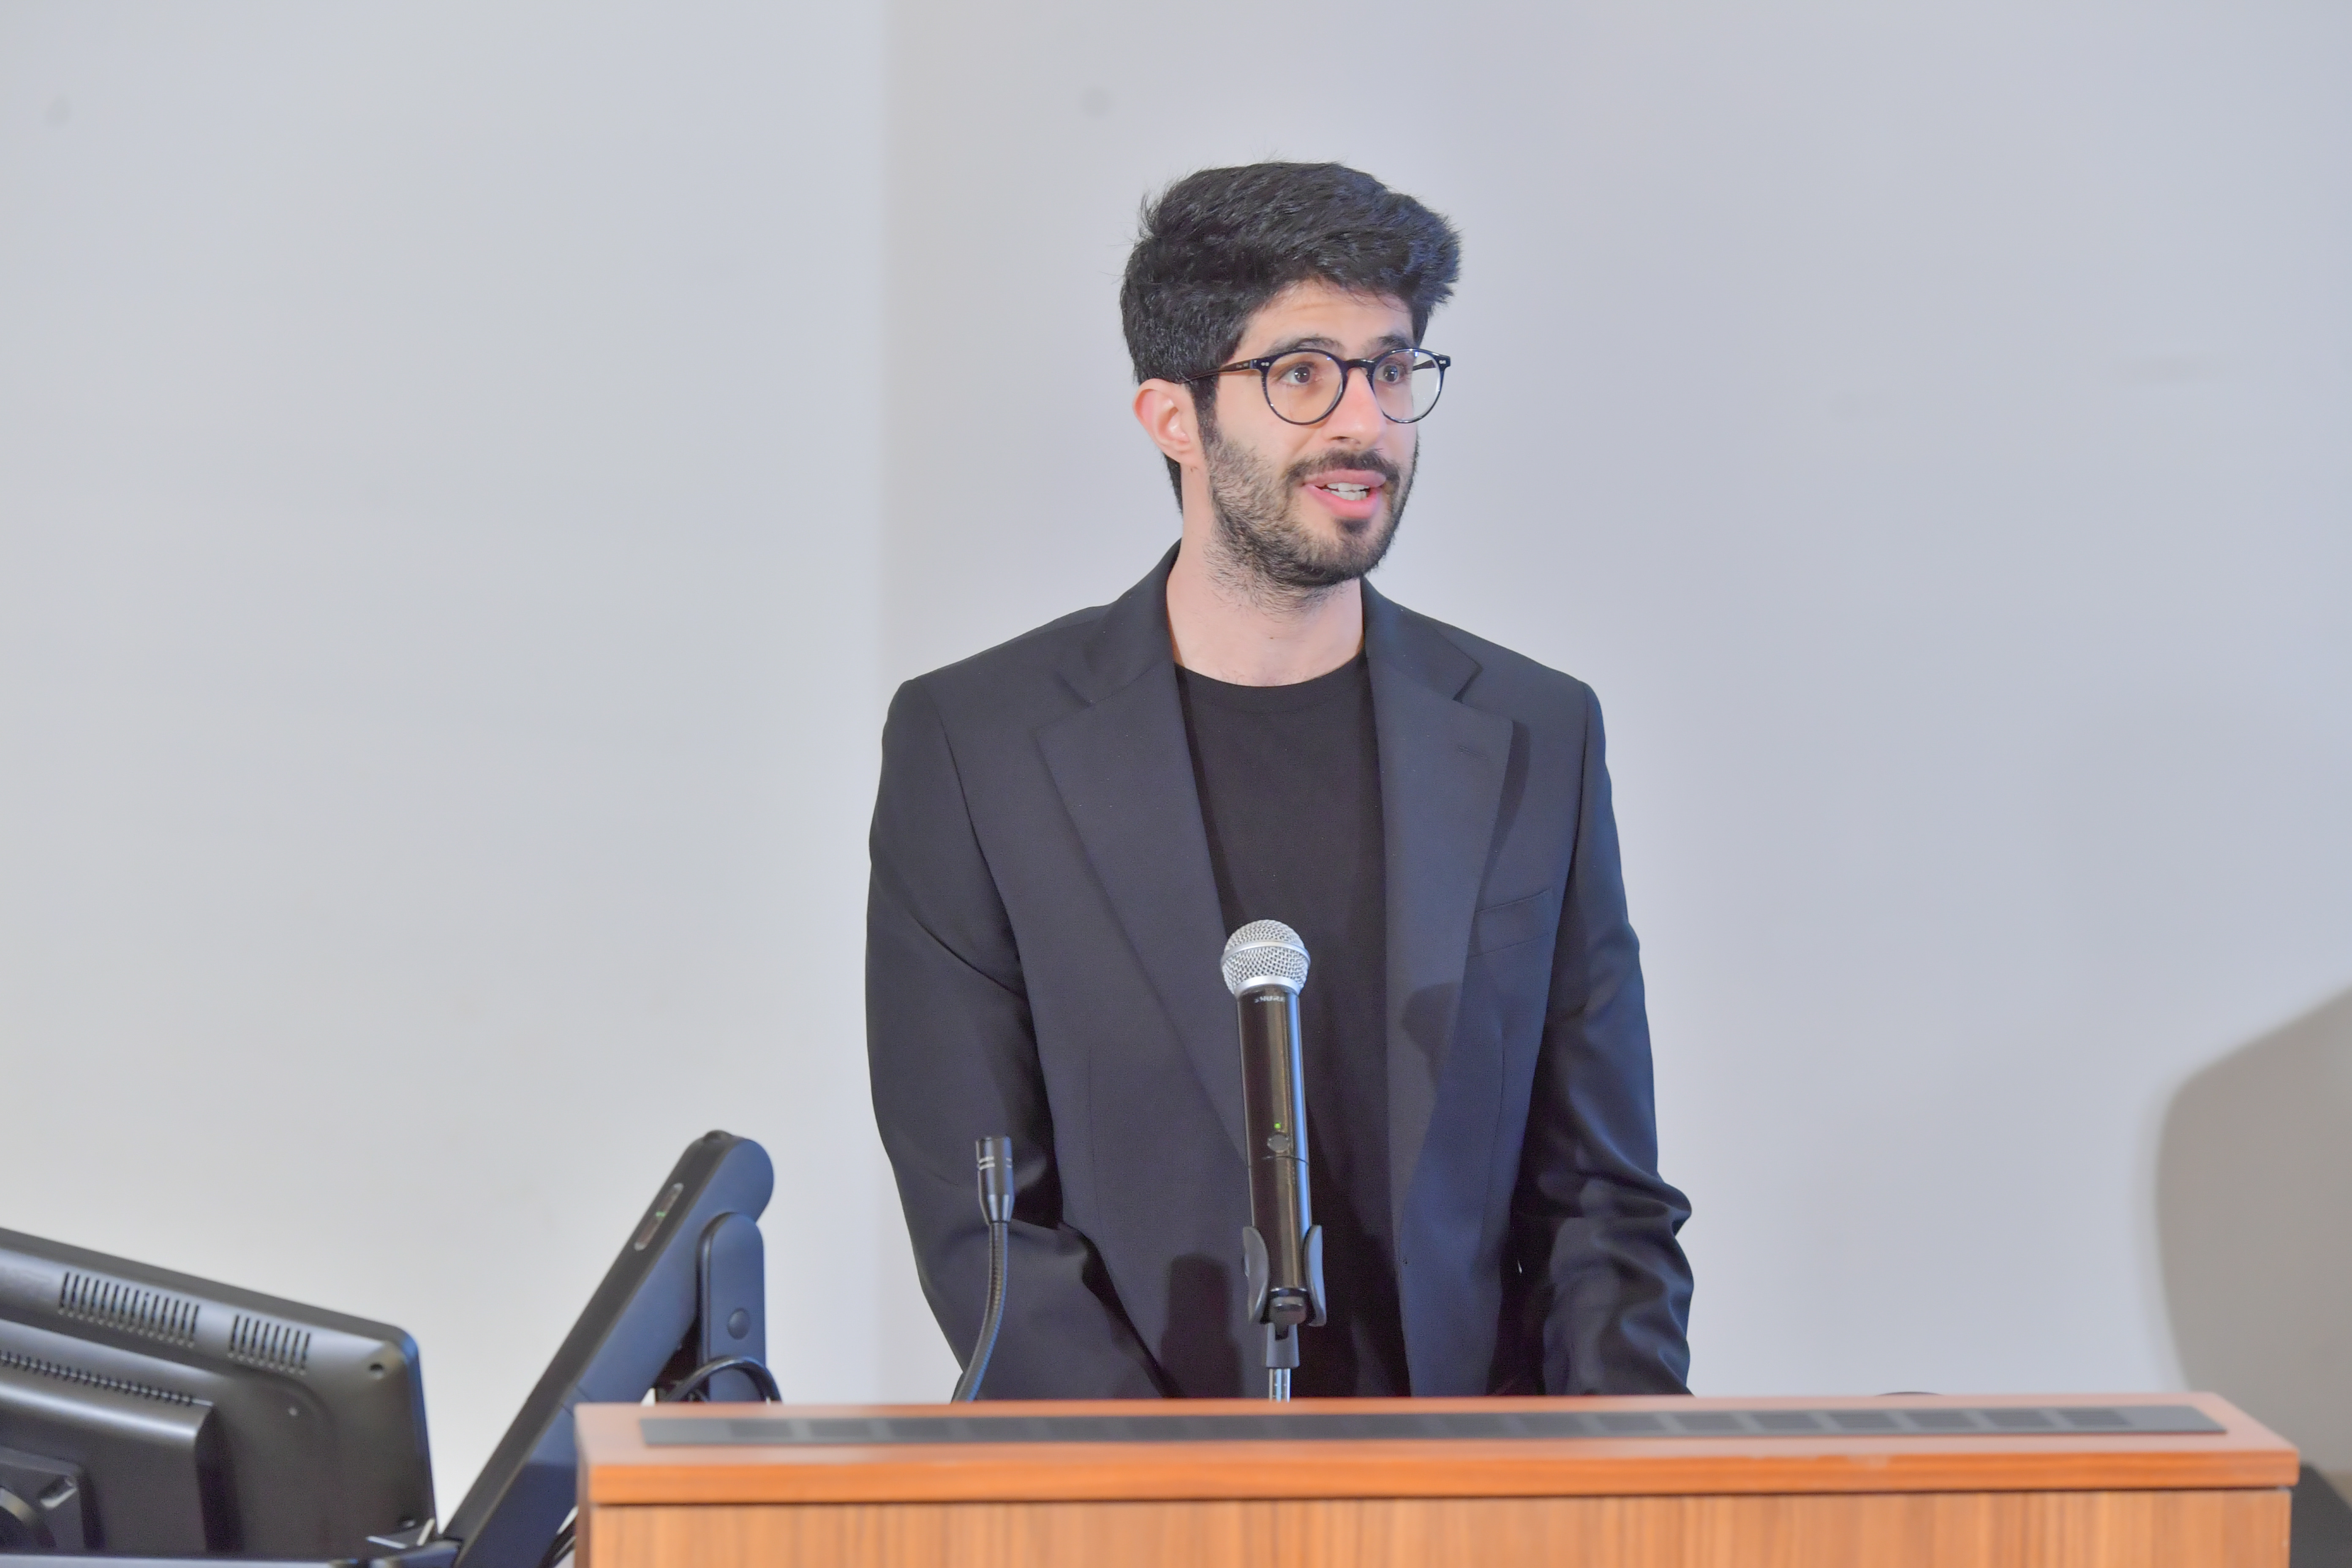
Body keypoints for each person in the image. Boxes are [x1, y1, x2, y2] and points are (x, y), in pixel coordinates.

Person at [867, 162, 1692, 1398]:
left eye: (1392, 369)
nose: (1365, 424)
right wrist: (1176, 1491)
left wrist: (1617, 1479)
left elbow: (1604, 1200)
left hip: (1474, 1482)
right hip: (1135, 1485)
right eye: (1303, 374)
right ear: (1174, 416)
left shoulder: (1535, 731)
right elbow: (983, 1225)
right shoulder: (978, 746)